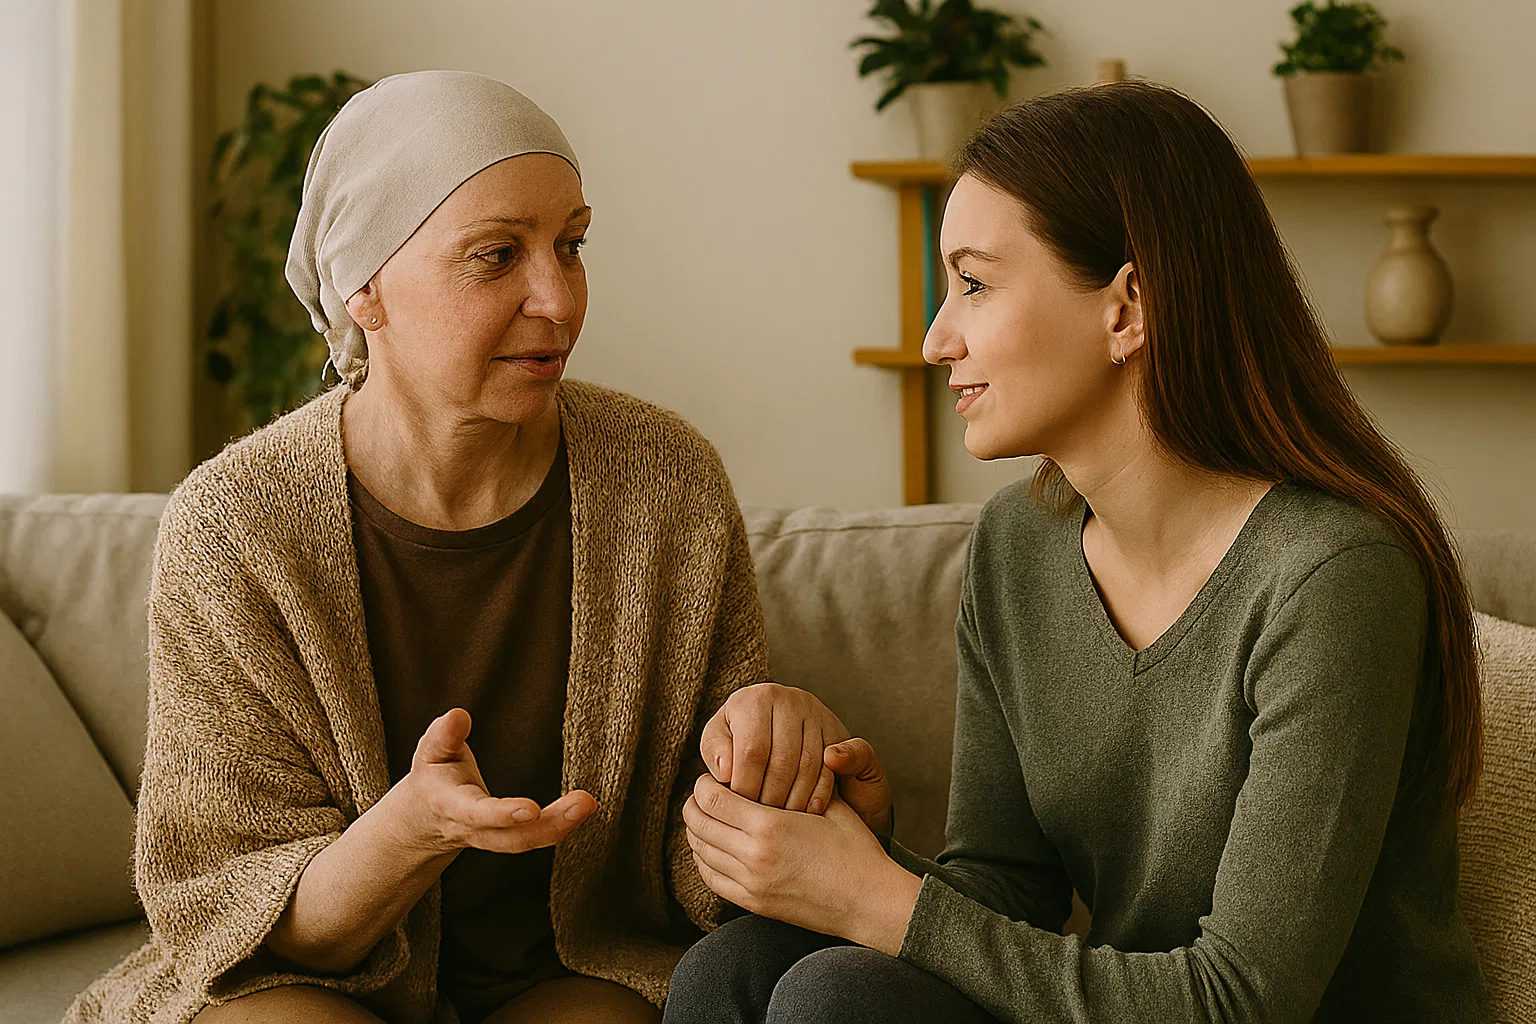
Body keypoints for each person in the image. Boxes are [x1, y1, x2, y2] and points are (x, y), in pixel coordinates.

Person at [666, 81, 1487, 1024]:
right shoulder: (1018, 547)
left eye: (974, 284)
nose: (936, 339)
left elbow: (1242, 1003)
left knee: (838, 1000)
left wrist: (872, 898)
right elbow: (1007, 892)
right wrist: (843, 848)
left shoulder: (1333, 576)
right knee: (737, 968)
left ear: (1126, 308)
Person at [65, 70, 851, 1024]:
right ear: (364, 287)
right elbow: (238, 924)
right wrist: (410, 832)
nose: (557, 299)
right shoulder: (233, 526)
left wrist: (773, 758)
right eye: (496, 255)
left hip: (567, 977)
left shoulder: (667, 481)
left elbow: (700, 874)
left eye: (572, 245)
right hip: (311, 984)